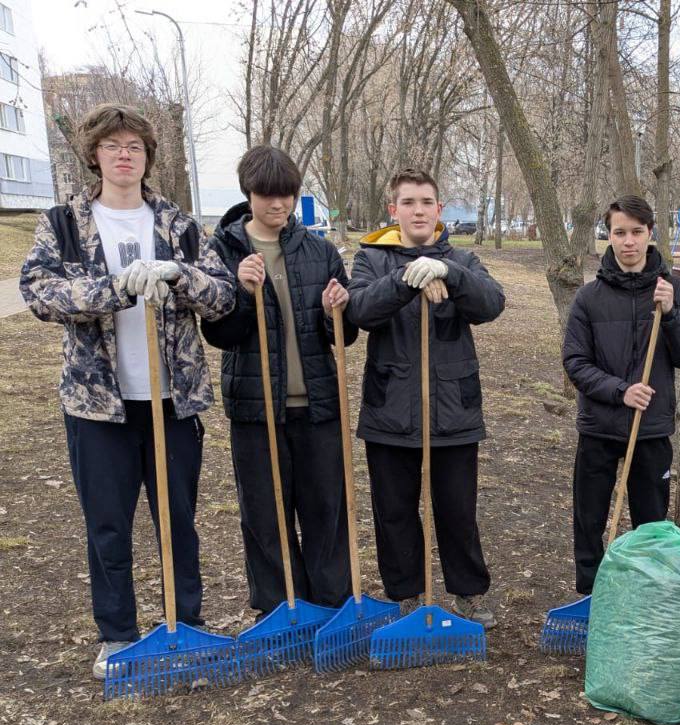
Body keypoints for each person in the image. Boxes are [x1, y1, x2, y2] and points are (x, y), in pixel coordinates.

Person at [18, 103, 235, 678]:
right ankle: (117, 635)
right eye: (112, 145)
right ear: (95, 155)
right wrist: (115, 289)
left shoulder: (179, 226)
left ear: (147, 156)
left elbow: (223, 296)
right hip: (98, 406)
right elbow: (39, 292)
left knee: (178, 520)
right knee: (108, 525)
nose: (124, 155)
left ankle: (185, 624)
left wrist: (180, 276)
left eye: (134, 146)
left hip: (172, 400)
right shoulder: (64, 224)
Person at [345, 168, 505, 627]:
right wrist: (406, 279)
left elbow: (491, 304)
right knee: (394, 511)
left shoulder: (463, 259)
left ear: (439, 209)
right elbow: (360, 311)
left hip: (453, 409)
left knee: (457, 509)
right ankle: (407, 596)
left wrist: (447, 272)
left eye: (427, 202)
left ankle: (469, 592)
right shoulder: (372, 259)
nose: (418, 211)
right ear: (393, 210)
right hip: (390, 409)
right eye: (408, 202)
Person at [202, 145, 354, 618]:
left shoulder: (319, 251)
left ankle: (331, 608)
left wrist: (336, 312)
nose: (279, 204)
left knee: (326, 509)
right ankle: (278, 610)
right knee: (265, 516)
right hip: (257, 406)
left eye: (286, 194)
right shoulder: (223, 252)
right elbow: (219, 334)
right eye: (268, 195)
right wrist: (241, 291)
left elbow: (344, 337)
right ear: (248, 193)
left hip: (317, 404)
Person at [562, 195, 680, 594]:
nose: (628, 241)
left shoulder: (677, 291)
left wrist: (672, 314)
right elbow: (575, 362)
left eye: (637, 232)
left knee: (651, 522)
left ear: (650, 233)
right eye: (619, 232)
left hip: (651, 428)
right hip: (599, 426)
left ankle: (646, 595)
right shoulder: (589, 298)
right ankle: (591, 594)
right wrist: (620, 391)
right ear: (608, 235)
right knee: (589, 517)